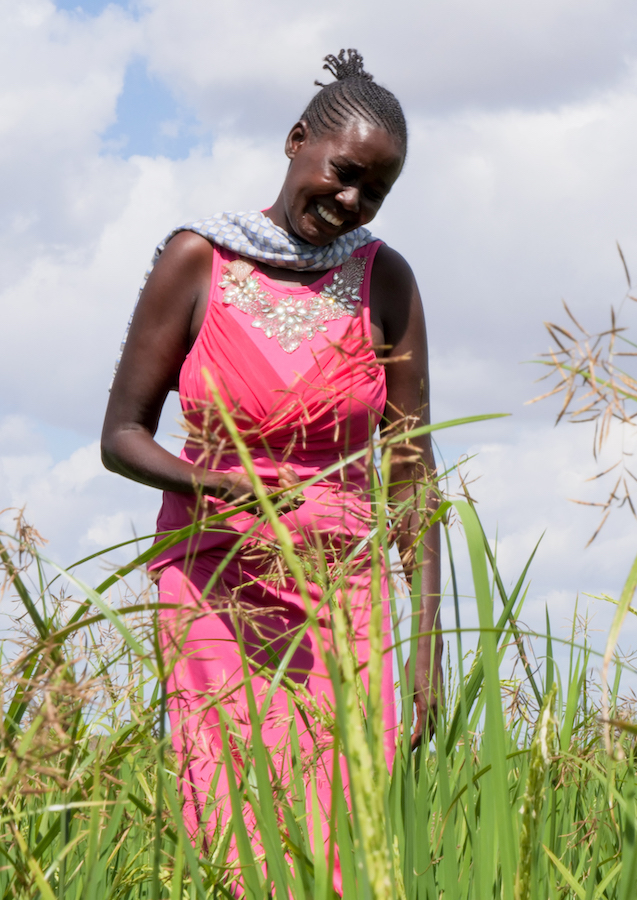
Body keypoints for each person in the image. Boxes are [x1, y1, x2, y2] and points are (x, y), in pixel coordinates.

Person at [100, 49, 441, 887]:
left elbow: (414, 474)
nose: (352, 200)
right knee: (227, 814)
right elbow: (122, 435)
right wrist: (207, 486)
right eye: (344, 173)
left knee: (342, 824)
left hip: (344, 590)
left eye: (375, 191)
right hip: (213, 577)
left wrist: (427, 641)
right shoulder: (197, 260)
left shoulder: (385, 281)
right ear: (297, 142)